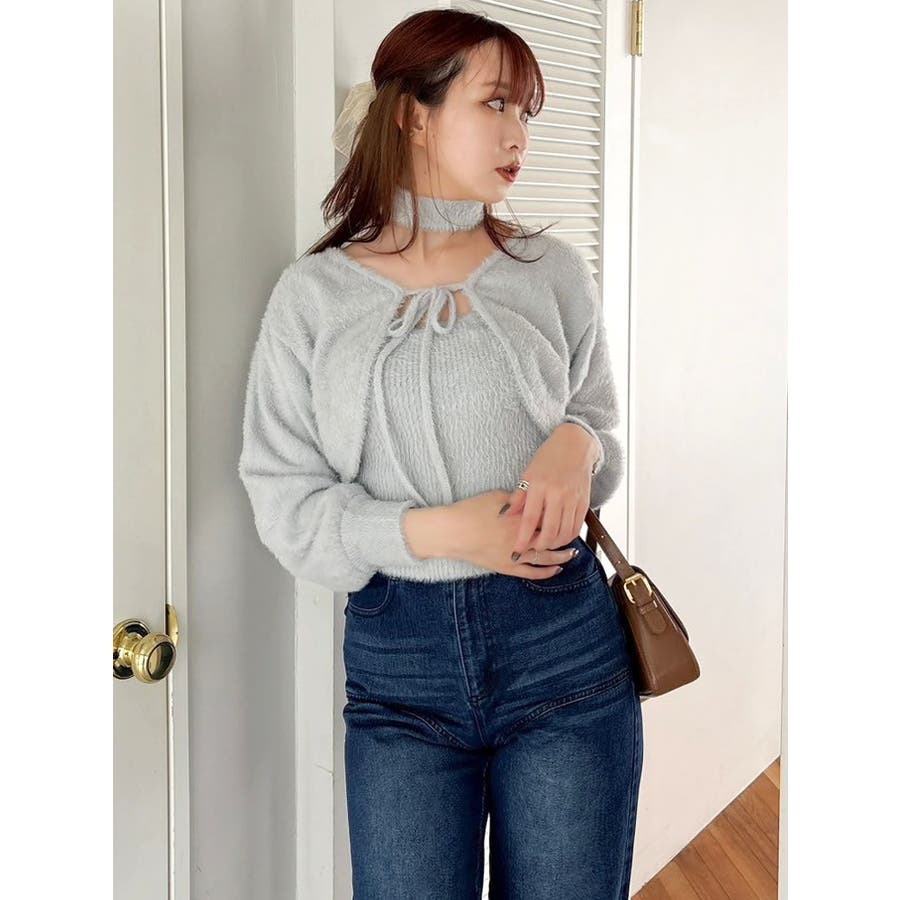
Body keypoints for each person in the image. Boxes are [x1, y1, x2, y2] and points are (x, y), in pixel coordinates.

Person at [239, 9, 643, 899]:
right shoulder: (312, 296)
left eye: (527, 111)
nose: (518, 134)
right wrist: (439, 532)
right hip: (401, 669)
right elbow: (284, 499)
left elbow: (602, 430)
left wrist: (579, 443)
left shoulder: (553, 273)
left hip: (565, 648)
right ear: (412, 115)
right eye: (496, 103)